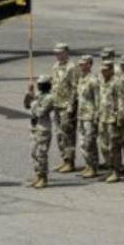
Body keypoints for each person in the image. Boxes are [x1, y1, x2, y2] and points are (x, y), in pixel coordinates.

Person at [49, 42, 79, 172]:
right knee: (59, 135)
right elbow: (53, 84)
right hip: (56, 105)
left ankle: (70, 162)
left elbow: (74, 88)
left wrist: (71, 106)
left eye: (60, 53)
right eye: (56, 53)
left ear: (67, 53)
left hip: (67, 106)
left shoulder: (72, 67)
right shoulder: (55, 66)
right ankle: (64, 160)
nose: (58, 55)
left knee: (68, 134)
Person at [24, 74, 54, 188]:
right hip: (34, 127)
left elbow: (40, 112)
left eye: (42, 85)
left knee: (41, 154)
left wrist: (33, 101)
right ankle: (37, 174)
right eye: (39, 84)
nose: (40, 86)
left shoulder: (50, 97)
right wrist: (28, 93)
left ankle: (43, 178)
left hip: (43, 128)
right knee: (34, 153)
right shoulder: (38, 95)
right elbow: (27, 105)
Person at [98, 60, 123, 182]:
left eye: (106, 69)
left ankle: (116, 171)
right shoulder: (102, 81)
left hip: (112, 119)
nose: (103, 71)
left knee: (114, 146)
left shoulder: (117, 82)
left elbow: (121, 101)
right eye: (102, 69)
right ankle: (109, 169)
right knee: (104, 146)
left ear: (112, 69)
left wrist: (119, 118)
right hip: (103, 117)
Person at [75, 55, 100, 178]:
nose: (81, 66)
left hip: (90, 116)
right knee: (82, 142)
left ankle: (93, 166)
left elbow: (98, 99)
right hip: (81, 115)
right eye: (80, 64)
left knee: (90, 142)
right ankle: (88, 165)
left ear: (90, 65)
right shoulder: (81, 79)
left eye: (83, 64)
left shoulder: (93, 80)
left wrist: (96, 116)